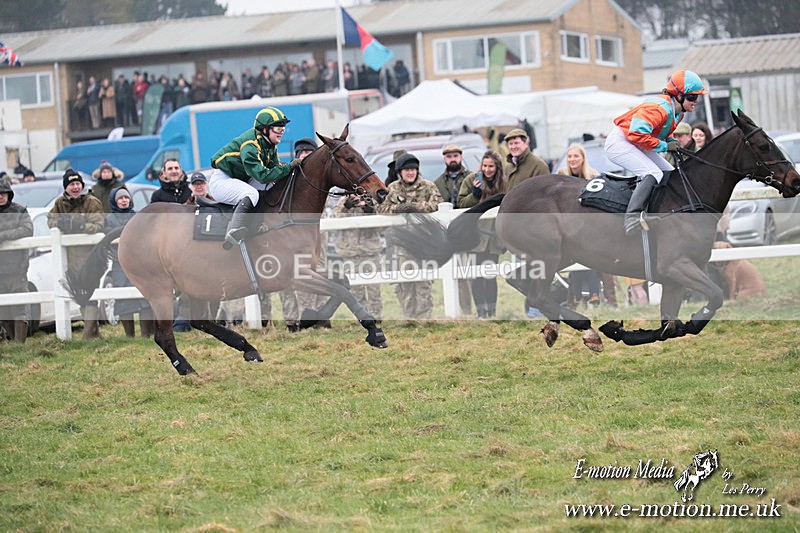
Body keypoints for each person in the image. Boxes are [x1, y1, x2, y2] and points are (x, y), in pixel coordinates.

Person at [604, 69, 708, 235]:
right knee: (653, 172)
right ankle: (632, 217)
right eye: (692, 97)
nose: (695, 101)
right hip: (620, 142)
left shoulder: (677, 112)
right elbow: (636, 134)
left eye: (697, 97)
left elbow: (661, 130)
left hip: (634, 142)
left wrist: (669, 139)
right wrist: (666, 146)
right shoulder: (658, 108)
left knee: (669, 172)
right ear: (678, 95)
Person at [209, 106, 301, 249]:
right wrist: (288, 167)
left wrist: (287, 171)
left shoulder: (270, 145)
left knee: (273, 186)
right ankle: (232, 231)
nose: (281, 132)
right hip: (222, 180)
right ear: (264, 129)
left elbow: (275, 172)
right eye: (278, 128)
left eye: (283, 128)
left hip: (241, 178)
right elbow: (262, 175)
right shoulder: (250, 145)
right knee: (251, 193)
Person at [378, 153, 443, 319]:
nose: (410, 173)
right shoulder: (392, 188)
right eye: (407, 170)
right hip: (401, 245)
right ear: (400, 172)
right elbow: (381, 208)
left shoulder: (428, 186)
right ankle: (410, 318)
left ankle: (424, 319)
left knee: (423, 284)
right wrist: (398, 209)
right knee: (405, 283)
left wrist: (414, 207)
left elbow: (438, 205)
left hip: (424, 243)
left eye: (413, 169)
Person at [47, 169, 105, 339]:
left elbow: (98, 225)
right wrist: (61, 223)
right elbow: (50, 220)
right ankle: (95, 334)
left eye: (77, 183)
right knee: (79, 295)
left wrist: (81, 226)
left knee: (91, 293)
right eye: (71, 184)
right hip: (71, 258)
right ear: (66, 187)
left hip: (91, 257)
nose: (75, 187)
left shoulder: (91, 202)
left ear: (82, 185)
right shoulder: (60, 203)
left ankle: (87, 335)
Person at [457, 150, 507, 318]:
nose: (487, 169)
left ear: (497, 167)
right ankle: (481, 312)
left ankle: (491, 312)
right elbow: (462, 203)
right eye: (485, 166)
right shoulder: (471, 180)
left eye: (491, 166)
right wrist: (475, 194)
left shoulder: (504, 183)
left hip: (494, 236)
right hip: (475, 236)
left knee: (490, 276)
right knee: (477, 276)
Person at [104, 187, 154, 338]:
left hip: (139, 262)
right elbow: (107, 236)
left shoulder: (138, 215)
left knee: (143, 298)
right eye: (120, 198)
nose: (124, 200)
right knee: (123, 301)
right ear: (115, 201)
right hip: (119, 263)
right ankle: (129, 336)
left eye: (126, 198)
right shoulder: (109, 219)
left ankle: (145, 335)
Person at [558, 144, 603, 308]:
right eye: (569, 156)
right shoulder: (561, 176)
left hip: (590, 228)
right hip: (569, 228)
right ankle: (575, 299)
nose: (572, 159)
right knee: (573, 263)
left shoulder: (594, 177)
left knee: (589, 262)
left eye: (576, 156)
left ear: (583, 158)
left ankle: (594, 296)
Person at [434, 144, 474, 316]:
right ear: (444, 159)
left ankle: (467, 311)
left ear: (461, 157)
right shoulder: (438, 182)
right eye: (449, 156)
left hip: (467, 233)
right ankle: (455, 312)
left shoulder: (472, 178)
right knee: (450, 275)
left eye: (455, 156)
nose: (452, 159)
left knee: (467, 276)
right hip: (448, 235)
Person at [332, 193, 384, 323]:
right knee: (355, 290)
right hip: (350, 254)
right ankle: (363, 318)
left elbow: (383, 226)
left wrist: (371, 212)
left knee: (374, 290)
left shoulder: (371, 201)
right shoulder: (343, 202)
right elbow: (333, 220)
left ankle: (377, 318)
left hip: (370, 252)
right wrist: (346, 207)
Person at [0, 178, 34, 343]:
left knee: (19, 308)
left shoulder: (20, 210)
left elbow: (28, 229)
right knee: (3, 310)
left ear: (8, 194)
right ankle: (14, 343)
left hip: (17, 269)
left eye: (3, 193)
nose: (0, 196)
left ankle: (20, 344)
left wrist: (4, 236)